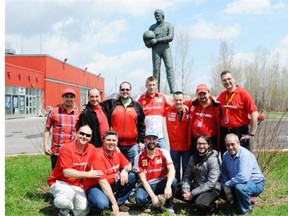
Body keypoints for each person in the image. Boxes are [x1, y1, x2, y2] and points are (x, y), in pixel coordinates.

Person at [47, 125, 103, 216]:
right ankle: (63, 211)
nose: (84, 136)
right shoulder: (67, 149)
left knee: (83, 209)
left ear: (90, 138)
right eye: (82, 133)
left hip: (76, 184)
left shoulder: (91, 149)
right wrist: (88, 174)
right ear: (77, 133)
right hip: (60, 181)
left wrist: (115, 149)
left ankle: (69, 209)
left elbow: (102, 153)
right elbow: (66, 172)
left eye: (87, 135)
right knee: (65, 197)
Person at [84, 130, 137, 215]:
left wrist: (124, 170)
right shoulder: (97, 155)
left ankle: (118, 203)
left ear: (117, 142)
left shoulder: (116, 152)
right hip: (96, 186)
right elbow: (103, 182)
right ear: (103, 140)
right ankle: (95, 208)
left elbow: (129, 165)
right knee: (101, 204)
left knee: (132, 176)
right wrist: (113, 203)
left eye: (114, 140)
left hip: (111, 183)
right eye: (108, 140)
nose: (111, 142)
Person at [133, 128, 177, 216]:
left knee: (174, 181)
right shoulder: (138, 157)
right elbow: (143, 180)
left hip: (161, 182)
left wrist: (168, 186)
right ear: (145, 140)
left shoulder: (164, 152)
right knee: (139, 199)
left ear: (157, 140)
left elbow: (172, 169)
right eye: (149, 139)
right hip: (148, 184)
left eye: (154, 139)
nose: (151, 141)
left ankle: (169, 207)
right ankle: (151, 203)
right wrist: (153, 196)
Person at [219, 133, 265, 215]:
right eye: (227, 145)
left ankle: (246, 210)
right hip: (236, 182)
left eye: (232, 144)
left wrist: (227, 185)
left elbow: (243, 177)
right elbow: (224, 174)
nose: (230, 147)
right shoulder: (225, 155)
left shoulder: (245, 155)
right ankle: (235, 204)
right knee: (219, 186)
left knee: (240, 187)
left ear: (238, 143)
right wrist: (225, 187)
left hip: (255, 183)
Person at [102, 81, 146, 165]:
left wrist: (141, 141)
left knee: (134, 169)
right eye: (123, 89)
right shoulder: (112, 104)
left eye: (127, 89)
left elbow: (142, 125)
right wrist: (85, 106)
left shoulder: (137, 106)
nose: (125, 91)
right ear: (119, 91)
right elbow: (96, 105)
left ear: (131, 91)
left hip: (132, 146)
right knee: (115, 169)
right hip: (115, 145)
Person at [217, 70, 258, 155]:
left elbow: (254, 113)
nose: (227, 82)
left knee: (242, 158)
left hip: (240, 132)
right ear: (222, 82)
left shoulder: (243, 94)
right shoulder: (222, 95)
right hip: (225, 131)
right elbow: (212, 102)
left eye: (229, 79)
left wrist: (252, 133)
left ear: (234, 79)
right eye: (224, 80)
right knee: (226, 157)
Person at [181, 134, 221, 215]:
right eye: (199, 143)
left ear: (208, 145)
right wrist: (186, 190)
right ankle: (197, 201)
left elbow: (211, 183)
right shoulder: (193, 158)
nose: (201, 146)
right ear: (196, 145)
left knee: (200, 204)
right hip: (197, 187)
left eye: (204, 143)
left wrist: (192, 193)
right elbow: (187, 176)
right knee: (176, 189)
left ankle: (212, 207)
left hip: (212, 189)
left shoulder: (212, 160)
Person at [44, 87, 80, 169]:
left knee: (70, 178)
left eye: (71, 97)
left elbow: (79, 132)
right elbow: (47, 129)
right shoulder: (54, 112)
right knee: (56, 179)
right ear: (62, 98)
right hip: (56, 153)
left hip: (71, 153)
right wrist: (45, 145)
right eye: (66, 96)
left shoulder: (78, 114)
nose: (69, 99)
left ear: (74, 99)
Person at [144, 9, 175, 93]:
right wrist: (148, 43)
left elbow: (170, 37)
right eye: (155, 16)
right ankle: (156, 92)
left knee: (169, 68)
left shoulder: (169, 26)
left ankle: (173, 91)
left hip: (166, 49)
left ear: (163, 16)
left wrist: (157, 41)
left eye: (158, 15)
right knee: (156, 71)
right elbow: (148, 40)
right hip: (155, 50)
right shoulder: (152, 27)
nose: (157, 17)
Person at [137, 76, 171, 149]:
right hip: (147, 136)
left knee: (163, 156)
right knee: (146, 158)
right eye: (149, 85)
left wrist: (184, 106)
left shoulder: (162, 97)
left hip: (160, 136)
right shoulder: (140, 98)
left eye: (153, 85)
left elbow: (173, 106)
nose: (151, 87)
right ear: (146, 86)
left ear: (156, 85)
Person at [164, 91, 191, 183]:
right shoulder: (167, 110)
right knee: (175, 168)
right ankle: (176, 187)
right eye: (176, 100)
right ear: (173, 100)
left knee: (186, 167)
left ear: (184, 100)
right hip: (174, 146)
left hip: (186, 146)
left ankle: (185, 186)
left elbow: (196, 99)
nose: (178, 102)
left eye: (180, 100)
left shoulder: (189, 110)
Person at [188, 84, 221, 151]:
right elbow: (179, 103)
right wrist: (184, 106)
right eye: (200, 94)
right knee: (196, 160)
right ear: (196, 95)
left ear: (208, 93)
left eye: (204, 94)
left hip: (210, 140)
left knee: (210, 160)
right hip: (196, 140)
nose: (202, 96)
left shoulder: (216, 105)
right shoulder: (193, 104)